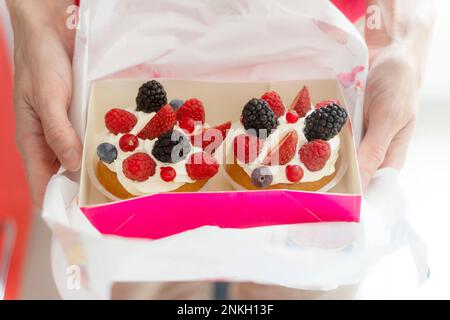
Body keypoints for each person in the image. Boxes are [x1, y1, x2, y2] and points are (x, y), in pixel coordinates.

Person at [6, 0, 435, 299]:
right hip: (99, 69)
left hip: (332, 63)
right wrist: (38, 20)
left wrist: (400, 46)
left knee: (298, 283)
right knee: (120, 281)